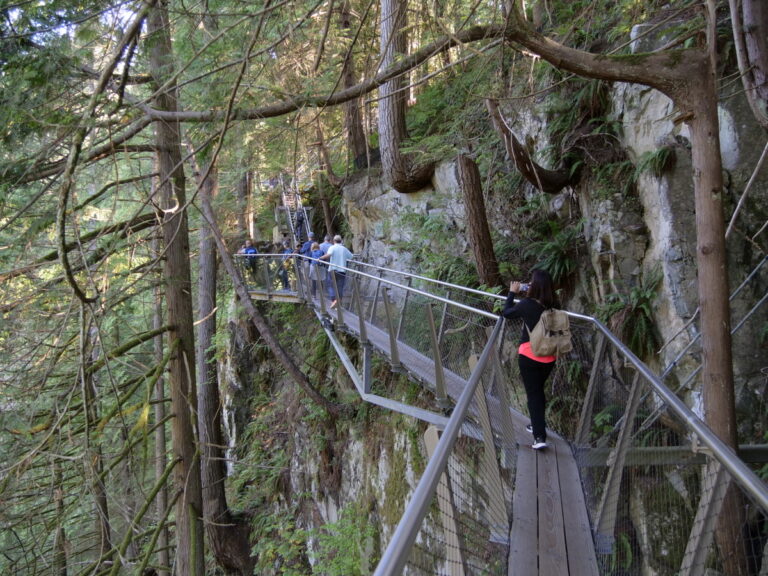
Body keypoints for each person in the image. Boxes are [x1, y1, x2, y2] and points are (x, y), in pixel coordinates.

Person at [501, 269, 558, 451]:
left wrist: (512, 293)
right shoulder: (554, 304)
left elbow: (507, 313)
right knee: (538, 391)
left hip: (530, 356)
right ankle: (537, 423)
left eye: (531, 282)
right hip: (549, 357)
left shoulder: (526, 304)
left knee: (533, 395)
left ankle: (539, 437)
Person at [320, 235, 353, 309]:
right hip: (342, 271)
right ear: (341, 241)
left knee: (331, 285)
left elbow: (328, 255)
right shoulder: (344, 249)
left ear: (334, 241)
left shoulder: (332, 247)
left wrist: (320, 258)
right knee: (340, 287)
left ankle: (334, 300)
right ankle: (338, 302)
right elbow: (351, 257)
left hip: (333, 270)